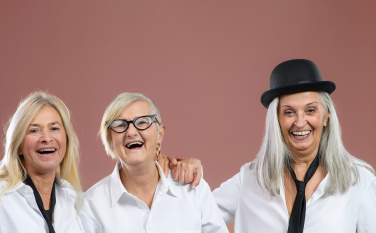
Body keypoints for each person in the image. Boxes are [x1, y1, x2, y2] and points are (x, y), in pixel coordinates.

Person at [211, 59, 376, 232]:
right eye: (288, 112)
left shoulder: (360, 181)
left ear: (326, 116)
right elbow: (195, 214)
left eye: (310, 110)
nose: (299, 122)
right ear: (276, 120)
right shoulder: (251, 179)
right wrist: (188, 174)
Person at [79, 92, 228, 233]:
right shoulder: (91, 205)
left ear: (160, 134)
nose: (131, 132)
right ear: (110, 139)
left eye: (142, 122)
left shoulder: (194, 189)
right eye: (120, 125)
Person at [0, 91, 83, 233]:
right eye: (34, 130)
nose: (46, 138)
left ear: (66, 140)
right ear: (19, 145)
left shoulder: (72, 200)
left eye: (54, 128)